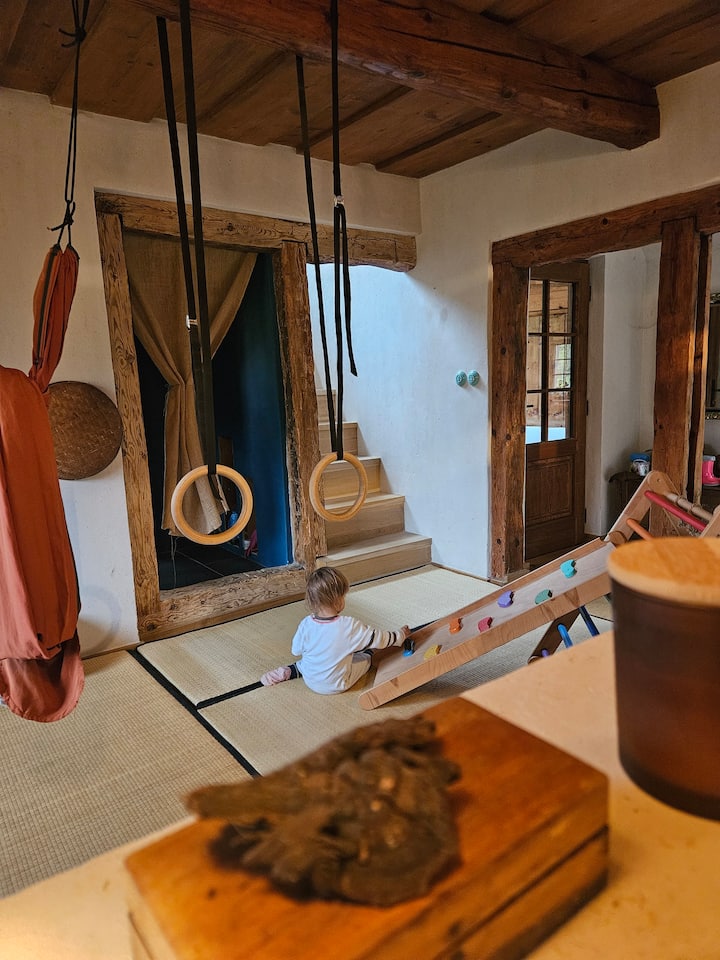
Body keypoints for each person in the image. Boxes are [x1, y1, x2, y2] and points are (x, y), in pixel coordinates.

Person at [260, 566, 410, 694]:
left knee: (309, 660)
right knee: (365, 657)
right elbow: (380, 639)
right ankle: (367, 655)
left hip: (310, 680)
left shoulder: (306, 623)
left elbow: (296, 650)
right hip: (337, 684)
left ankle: (291, 671)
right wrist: (400, 635)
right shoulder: (349, 626)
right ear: (338, 599)